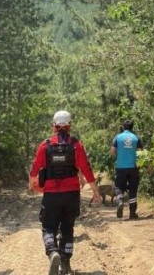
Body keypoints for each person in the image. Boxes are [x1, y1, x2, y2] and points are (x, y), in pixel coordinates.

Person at [29, 110, 102, 275]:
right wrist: (95, 190)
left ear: (54, 126)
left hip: (51, 195)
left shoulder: (45, 145)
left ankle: (52, 251)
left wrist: (32, 184)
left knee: (48, 227)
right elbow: (86, 168)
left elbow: (34, 168)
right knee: (68, 228)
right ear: (69, 126)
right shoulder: (76, 145)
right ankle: (65, 263)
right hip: (71, 195)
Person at [110, 119, 143, 219]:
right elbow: (141, 153)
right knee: (133, 189)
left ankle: (120, 201)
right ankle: (132, 213)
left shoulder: (117, 137)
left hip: (120, 167)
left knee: (118, 187)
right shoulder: (136, 138)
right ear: (132, 127)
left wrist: (119, 156)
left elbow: (112, 151)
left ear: (123, 127)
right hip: (133, 167)